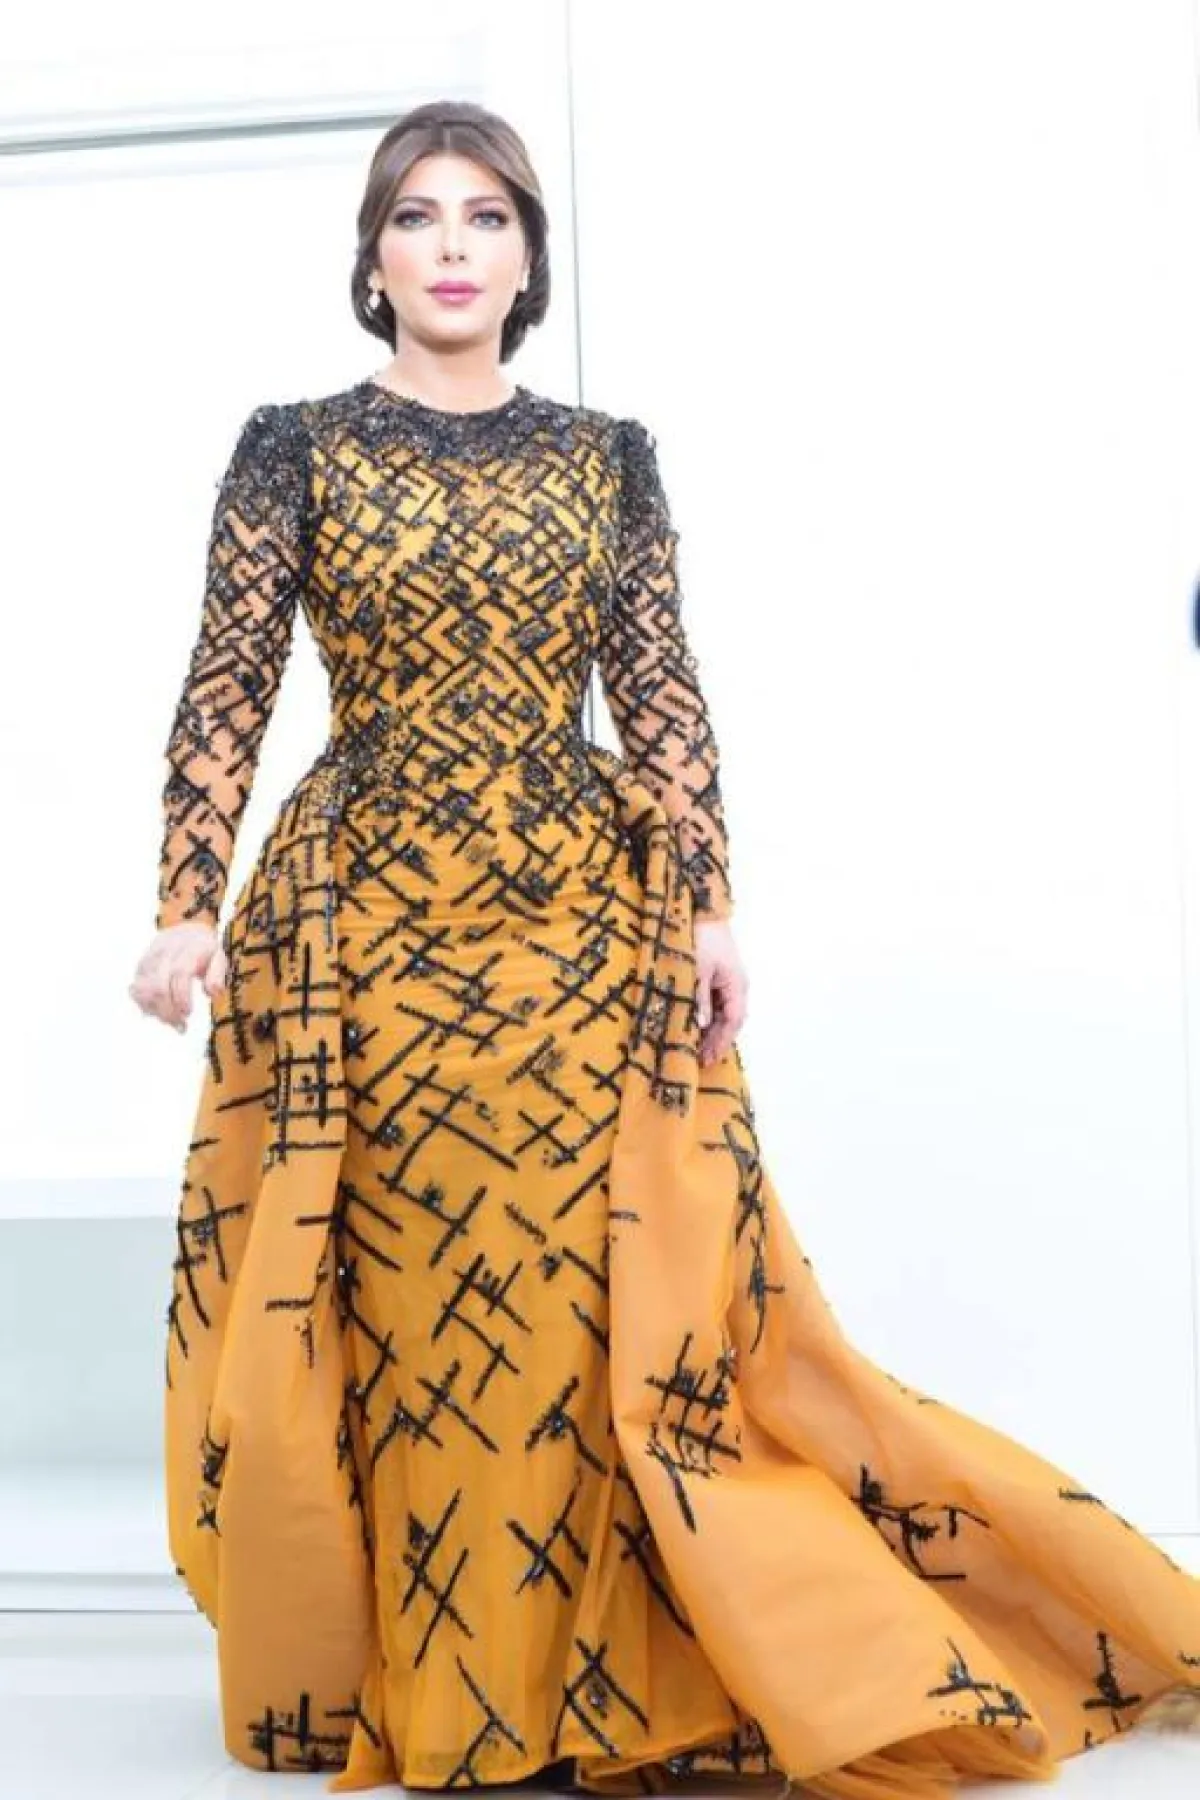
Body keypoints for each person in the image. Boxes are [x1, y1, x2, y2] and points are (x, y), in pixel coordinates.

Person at [128, 99, 1200, 1800]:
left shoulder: (606, 455)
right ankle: (466, 1694)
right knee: (415, 1299)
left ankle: (585, 1685)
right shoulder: (294, 447)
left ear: (529, 259)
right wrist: (186, 899)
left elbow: (660, 687)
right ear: (374, 259)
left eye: (488, 217)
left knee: (581, 1302)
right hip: (372, 923)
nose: (455, 246)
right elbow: (228, 678)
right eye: (419, 217)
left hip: (579, 915)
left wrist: (708, 904)